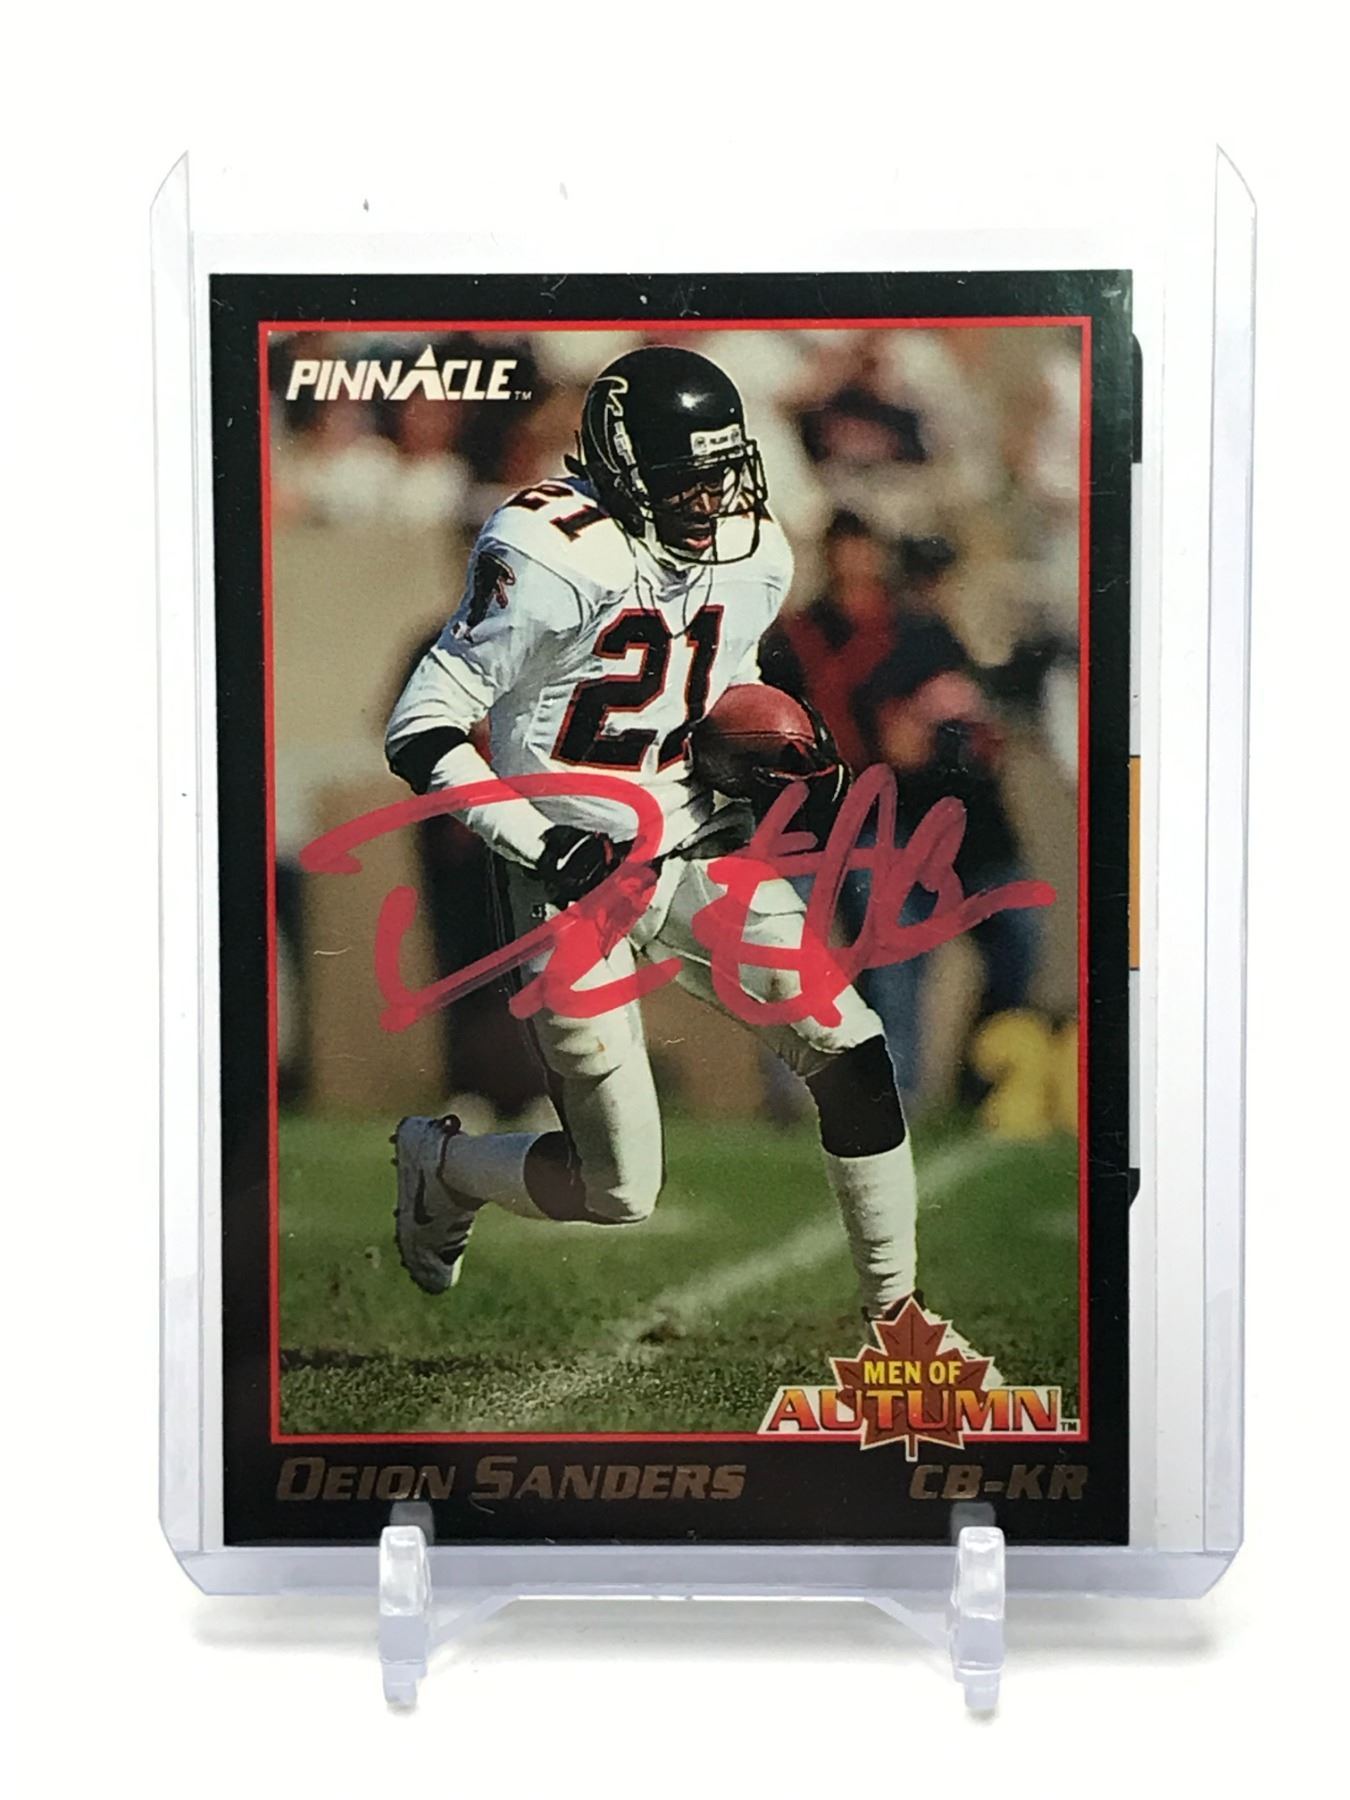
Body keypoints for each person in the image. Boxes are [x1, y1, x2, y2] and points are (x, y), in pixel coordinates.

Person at [382, 346, 925, 1324]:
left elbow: (721, 686)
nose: (712, 500)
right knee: (618, 1190)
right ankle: (446, 1166)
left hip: (693, 844)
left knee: (852, 1051)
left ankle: (898, 1317)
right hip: (567, 874)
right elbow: (421, 728)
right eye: (686, 478)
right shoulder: (550, 547)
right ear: (624, 468)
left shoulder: (754, 548)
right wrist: (541, 843)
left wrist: (767, 748)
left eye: (723, 473)